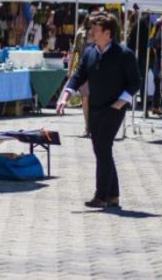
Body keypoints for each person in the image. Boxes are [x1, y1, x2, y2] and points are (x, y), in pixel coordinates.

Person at [56, 11, 140, 210]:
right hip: (94, 108)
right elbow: (78, 75)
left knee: (102, 148)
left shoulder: (124, 54)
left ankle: (100, 196)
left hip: (114, 109)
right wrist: (65, 95)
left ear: (108, 33)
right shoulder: (90, 52)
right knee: (102, 150)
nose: (91, 32)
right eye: (91, 28)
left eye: (95, 29)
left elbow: (135, 82)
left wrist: (120, 103)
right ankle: (113, 195)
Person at [69, 28, 92, 137]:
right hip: (84, 70)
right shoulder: (80, 34)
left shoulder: (102, 32)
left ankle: (94, 126)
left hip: (98, 70)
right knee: (86, 98)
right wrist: (70, 71)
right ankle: (87, 127)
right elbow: (74, 52)